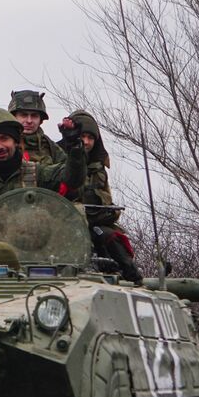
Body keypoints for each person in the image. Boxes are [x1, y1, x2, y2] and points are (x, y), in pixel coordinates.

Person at [59, 110, 142, 283]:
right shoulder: (58, 157)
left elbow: (106, 201)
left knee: (110, 238)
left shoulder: (99, 167)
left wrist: (106, 213)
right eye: (82, 136)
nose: (87, 142)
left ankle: (129, 276)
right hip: (62, 224)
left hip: (95, 223)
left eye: (91, 138)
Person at [8, 90, 61, 163]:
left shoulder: (50, 146)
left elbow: (69, 170)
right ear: (13, 117)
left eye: (34, 116)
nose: (29, 121)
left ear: (41, 120)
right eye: (24, 115)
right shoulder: (3, 143)